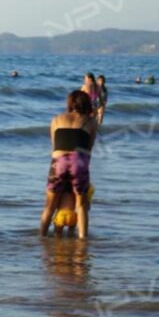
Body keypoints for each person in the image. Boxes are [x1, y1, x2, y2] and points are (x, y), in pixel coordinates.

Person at [39, 90, 97, 240]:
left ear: (69, 103)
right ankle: (82, 239)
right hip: (79, 161)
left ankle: (42, 237)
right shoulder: (90, 122)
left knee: (49, 207)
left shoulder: (56, 120)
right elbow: (88, 149)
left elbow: (54, 147)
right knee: (81, 206)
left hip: (58, 162)